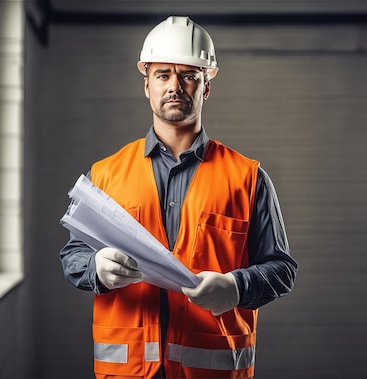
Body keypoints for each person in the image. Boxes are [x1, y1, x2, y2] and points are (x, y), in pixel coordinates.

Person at [60, 16, 297, 379]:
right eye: (163, 75)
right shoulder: (105, 174)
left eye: (189, 75)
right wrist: (97, 268)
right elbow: (73, 255)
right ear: (147, 86)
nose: (175, 86)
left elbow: (281, 270)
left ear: (206, 87)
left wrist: (235, 287)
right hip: (127, 372)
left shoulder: (248, 178)